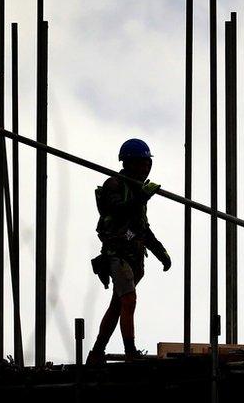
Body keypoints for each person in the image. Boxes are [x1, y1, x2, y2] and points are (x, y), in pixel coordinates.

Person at [86, 138, 171, 365]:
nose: (146, 168)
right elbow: (117, 211)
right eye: (141, 163)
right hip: (118, 254)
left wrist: (160, 252)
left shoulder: (136, 191)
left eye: (148, 164)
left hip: (133, 256)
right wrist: (142, 196)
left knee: (118, 304)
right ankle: (130, 351)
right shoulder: (114, 185)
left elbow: (141, 227)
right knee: (129, 300)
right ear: (129, 163)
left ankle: (96, 352)